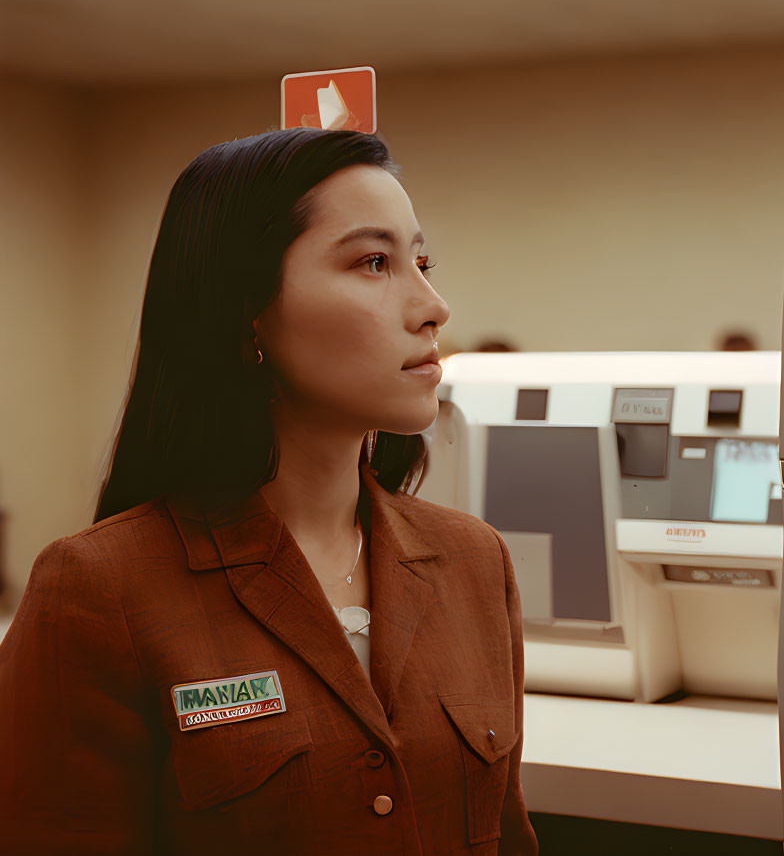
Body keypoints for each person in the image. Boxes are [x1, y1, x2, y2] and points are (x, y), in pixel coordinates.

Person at [0, 128, 538, 855]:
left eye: (422, 261)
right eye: (374, 262)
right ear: (245, 307)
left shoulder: (472, 561)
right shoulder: (102, 588)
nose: (432, 305)